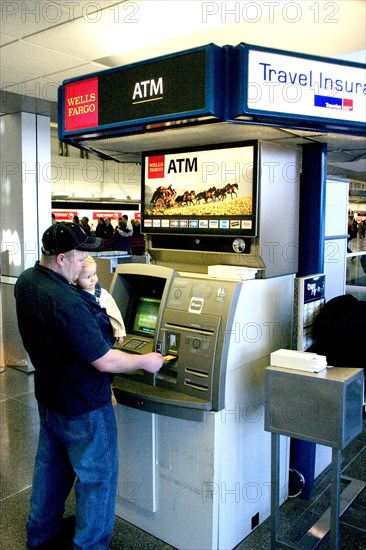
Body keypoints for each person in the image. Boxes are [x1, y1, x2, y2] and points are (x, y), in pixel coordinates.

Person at [14, 221, 163, 550]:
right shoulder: (67, 302)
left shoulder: (26, 281)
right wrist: (145, 360)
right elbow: (105, 361)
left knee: (50, 470)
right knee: (97, 481)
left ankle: (39, 537)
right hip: (85, 405)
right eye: (81, 258)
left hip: (50, 397)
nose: (86, 265)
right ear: (62, 258)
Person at [74, 255, 126, 344]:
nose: (93, 279)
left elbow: (114, 314)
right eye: (88, 277)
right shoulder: (73, 294)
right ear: (75, 280)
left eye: (94, 274)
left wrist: (119, 331)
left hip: (103, 340)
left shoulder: (102, 294)